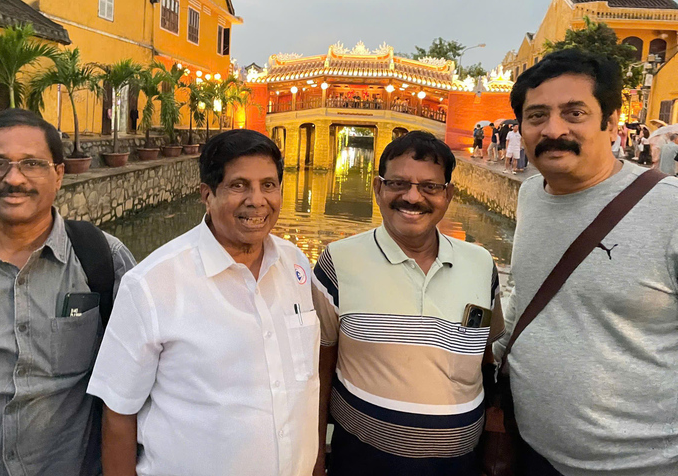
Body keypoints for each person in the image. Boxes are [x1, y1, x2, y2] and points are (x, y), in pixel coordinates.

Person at [0, 109, 136, 476]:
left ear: (58, 174)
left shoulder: (102, 261)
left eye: (32, 163)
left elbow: (136, 381)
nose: (14, 178)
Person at [88, 129, 319, 476]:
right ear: (207, 195)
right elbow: (118, 413)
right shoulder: (152, 284)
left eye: (268, 185)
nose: (257, 200)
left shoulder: (296, 265)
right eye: (239, 185)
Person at [495, 48, 678, 475]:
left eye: (574, 113)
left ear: (610, 124)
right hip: (533, 452)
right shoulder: (530, 195)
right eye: (537, 115)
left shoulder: (670, 211)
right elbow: (523, 291)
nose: (553, 129)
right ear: (521, 127)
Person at [312, 131, 505, 476]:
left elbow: (485, 356)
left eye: (429, 187)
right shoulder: (338, 261)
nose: (412, 197)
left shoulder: (480, 263)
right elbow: (322, 365)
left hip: (461, 463)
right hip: (361, 459)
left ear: (449, 195)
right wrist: (315, 451)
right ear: (377, 188)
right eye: (398, 183)